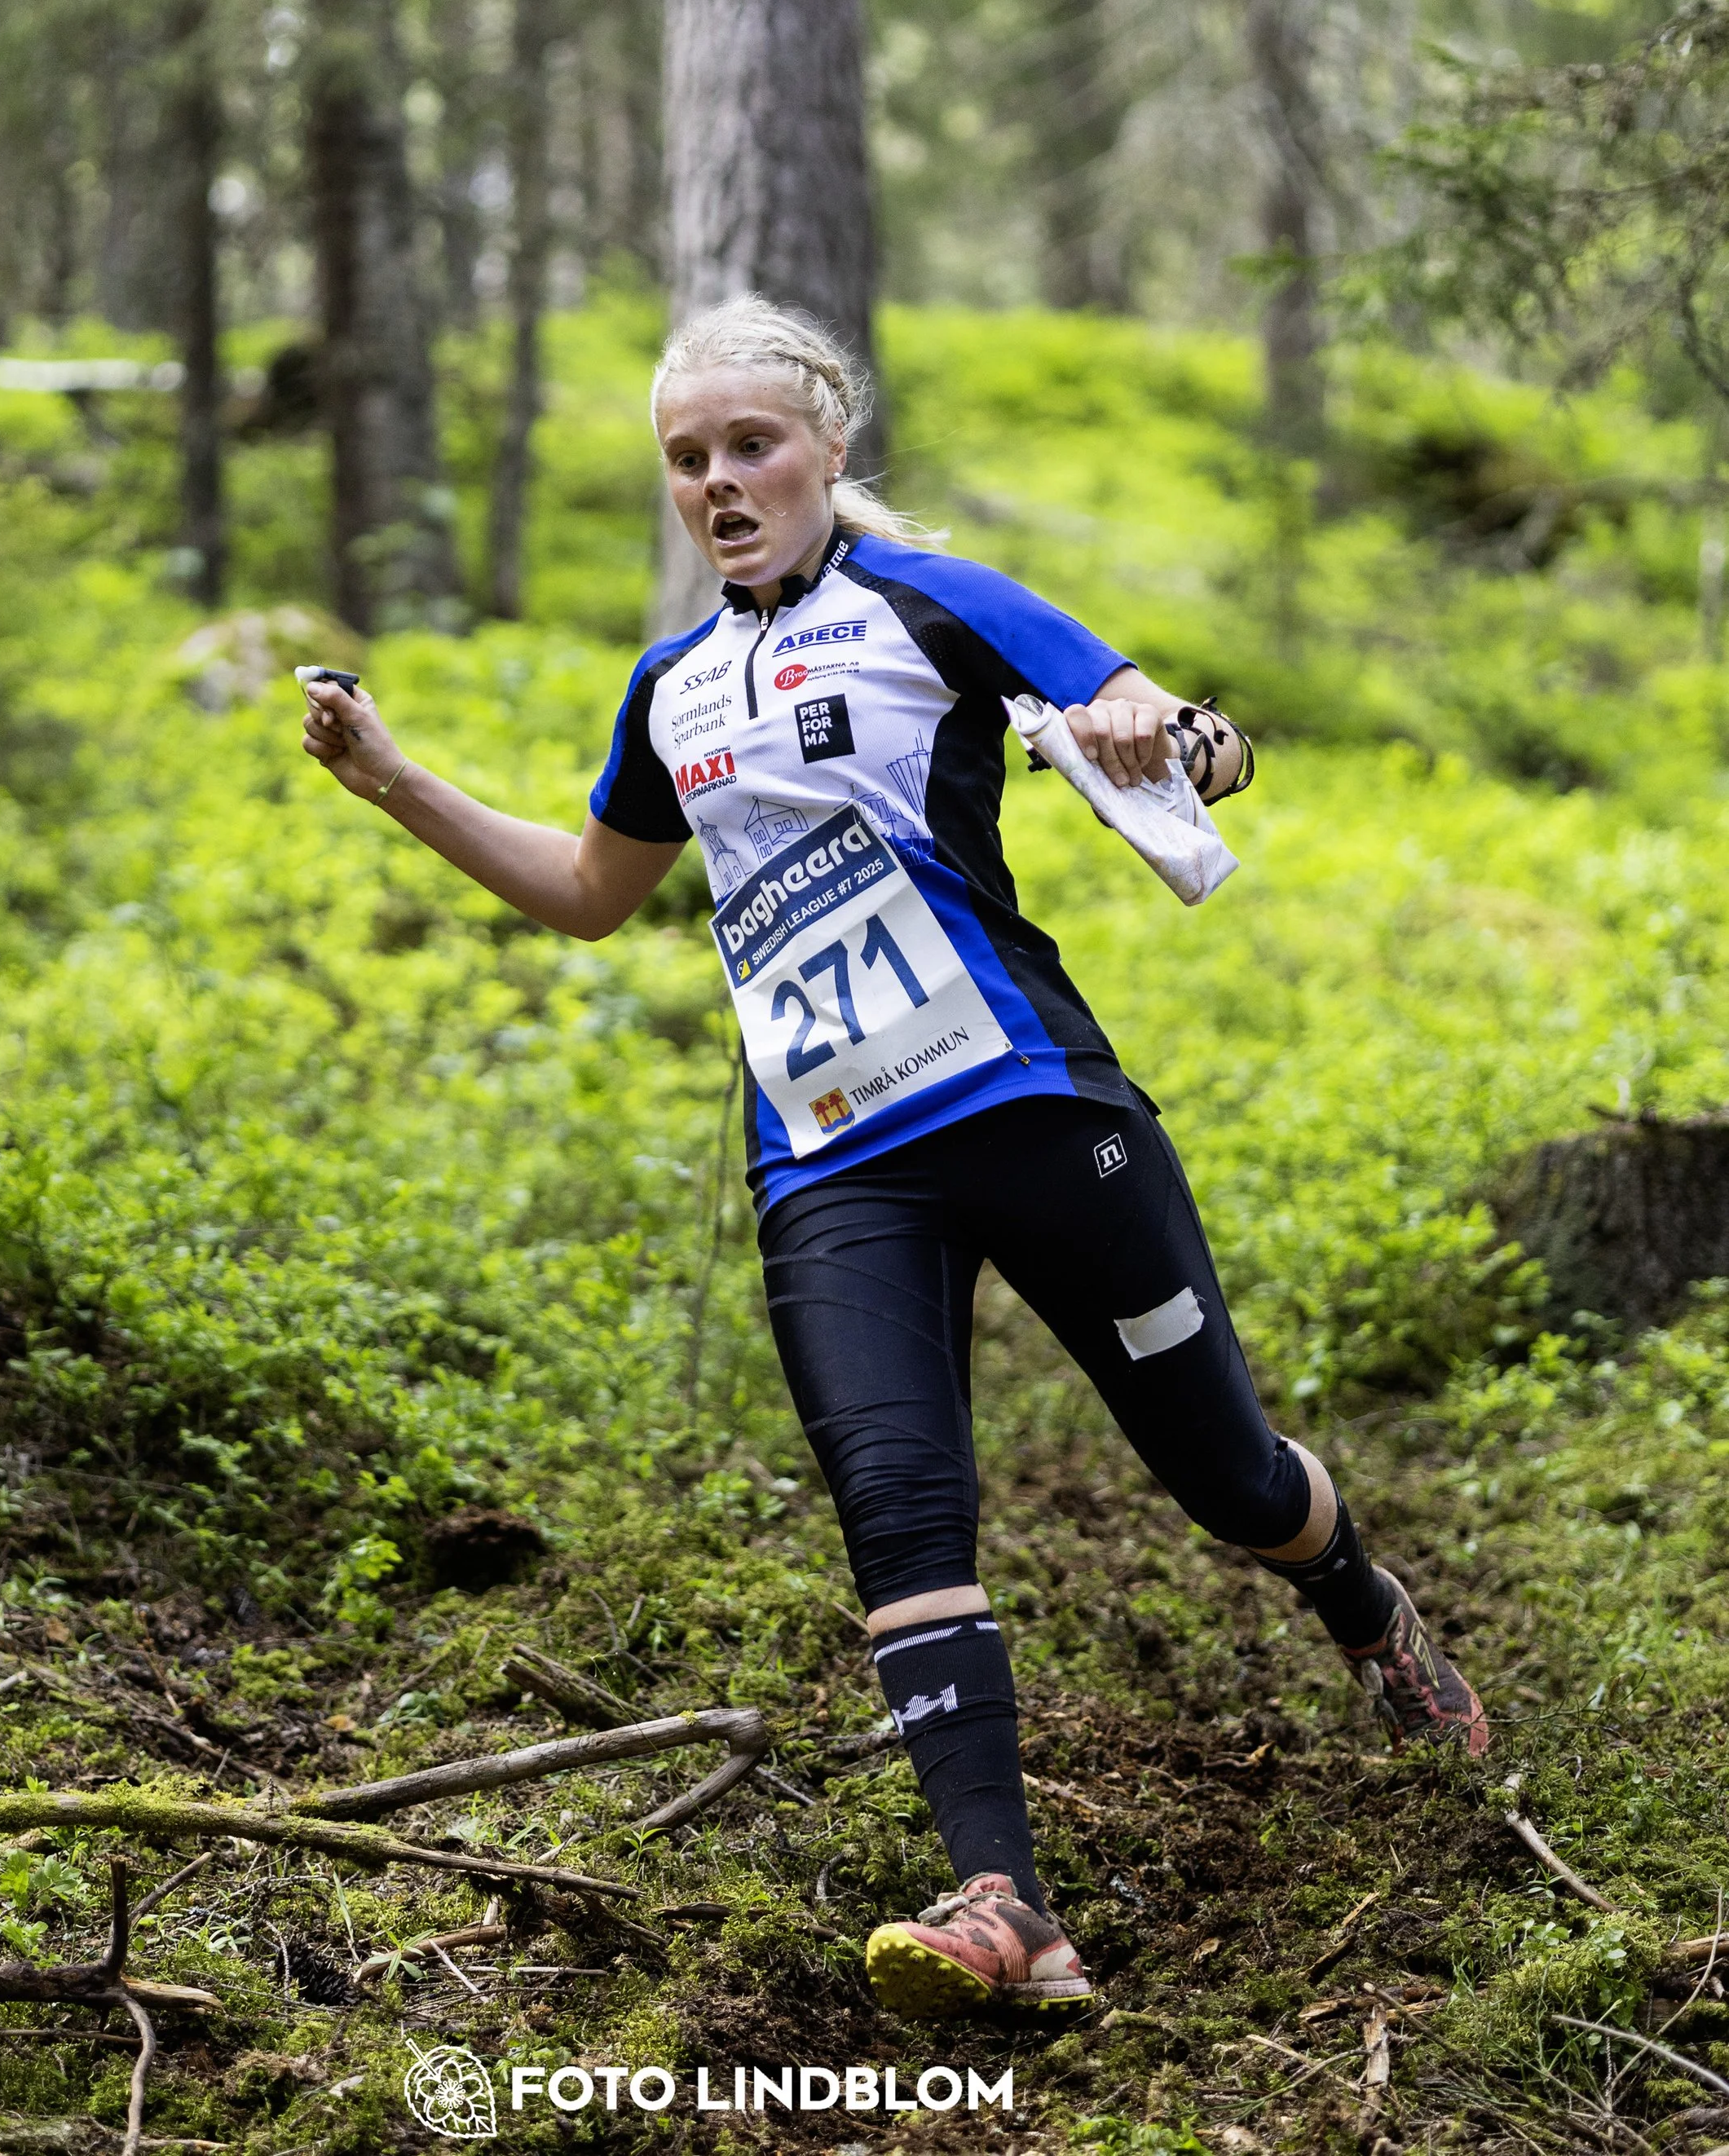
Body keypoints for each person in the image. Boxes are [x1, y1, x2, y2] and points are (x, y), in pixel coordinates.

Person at [298, 294, 1488, 2025]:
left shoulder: (934, 599)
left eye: (750, 445)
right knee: (897, 1505)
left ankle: (1363, 1603)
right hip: (834, 1165)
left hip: (1031, 1112)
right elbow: (584, 892)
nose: (718, 481)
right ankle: (1009, 1905)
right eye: (686, 458)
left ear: (827, 443)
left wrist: (1172, 732)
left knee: (1228, 1478)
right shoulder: (673, 687)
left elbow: (1193, 732)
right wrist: (395, 780)